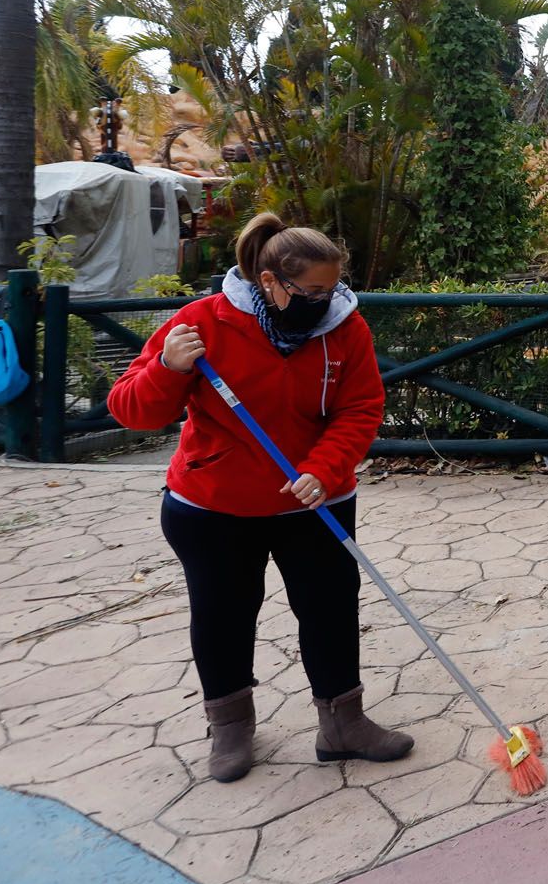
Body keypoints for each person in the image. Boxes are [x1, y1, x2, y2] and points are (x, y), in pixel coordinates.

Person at [107, 212, 409, 784]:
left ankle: (343, 725)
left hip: (314, 500)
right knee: (222, 616)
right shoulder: (203, 322)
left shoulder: (345, 327)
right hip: (214, 506)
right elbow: (132, 410)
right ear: (270, 282)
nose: (328, 300)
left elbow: (360, 407)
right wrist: (170, 369)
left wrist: (325, 467)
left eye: (334, 288)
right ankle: (230, 729)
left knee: (330, 611)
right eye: (313, 291)